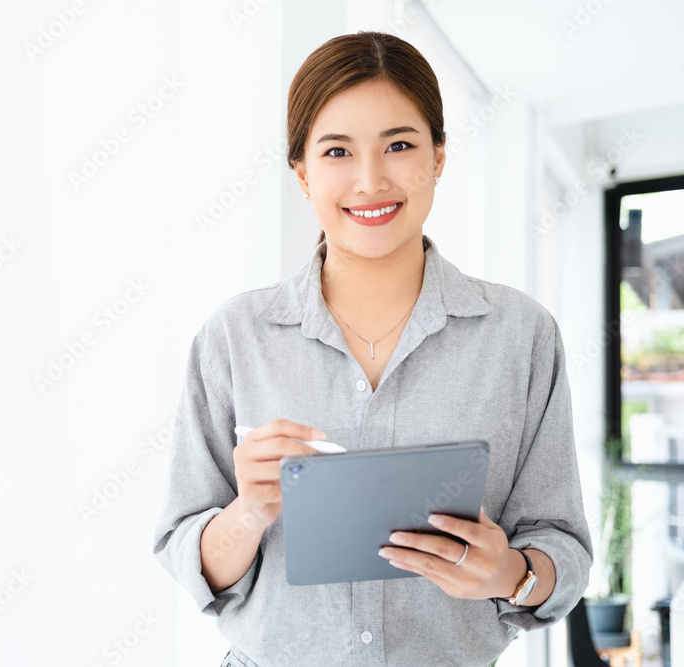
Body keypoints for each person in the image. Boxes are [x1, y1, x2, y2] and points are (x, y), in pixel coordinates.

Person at [152, 31, 592, 667]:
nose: (370, 180)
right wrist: (248, 512)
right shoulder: (234, 337)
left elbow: (563, 548)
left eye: (400, 145)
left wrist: (510, 575)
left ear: (438, 157)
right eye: (337, 151)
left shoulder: (520, 335)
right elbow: (185, 556)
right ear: (302, 173)